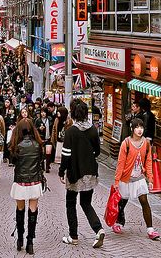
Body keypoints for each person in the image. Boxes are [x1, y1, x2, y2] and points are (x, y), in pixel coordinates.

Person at [58, 98, 105, 249]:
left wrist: (61, 171)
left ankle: (73, 236)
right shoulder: (92, 129)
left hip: (74, 172)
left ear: (73, 114)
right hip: (90, 172)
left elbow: (65, 154)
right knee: (86, 203)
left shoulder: (71, 131)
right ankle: (99, 229)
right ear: (86, 114)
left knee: (70, 203)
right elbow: (97, 151)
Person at [113, 118, 160, 239]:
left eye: (141, 127)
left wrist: (150, 179)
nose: (139, 130)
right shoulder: (126, 143)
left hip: (139, 177)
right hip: (126, 178)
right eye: (137, 127)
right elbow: (120, 163)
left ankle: (150, 229)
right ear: (132, 129)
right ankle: (119, 221)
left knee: (144, 201)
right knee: (122, 201)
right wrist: (117, 181)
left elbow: (148, 161)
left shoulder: (146, 143)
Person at [9, 118, 43, 254]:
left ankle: (20, 238)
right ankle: (30, 242)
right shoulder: (37, 145)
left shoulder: (16, 146)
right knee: (33, 210)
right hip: (34, 181)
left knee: (20, 209)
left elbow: (12, 161)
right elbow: (41, 161)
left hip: (20, 182)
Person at [35, 107, 52, 172]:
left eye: (44, 112)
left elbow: (52, 128)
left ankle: (47, 166)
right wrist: (39, 128)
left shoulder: (50, 119)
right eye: (41, 112)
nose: (43, 114)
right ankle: (42, 166)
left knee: (48, 152)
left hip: (48, 138)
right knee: (41, 153)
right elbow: (35, 129)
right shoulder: (38, 120)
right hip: (41, 138)